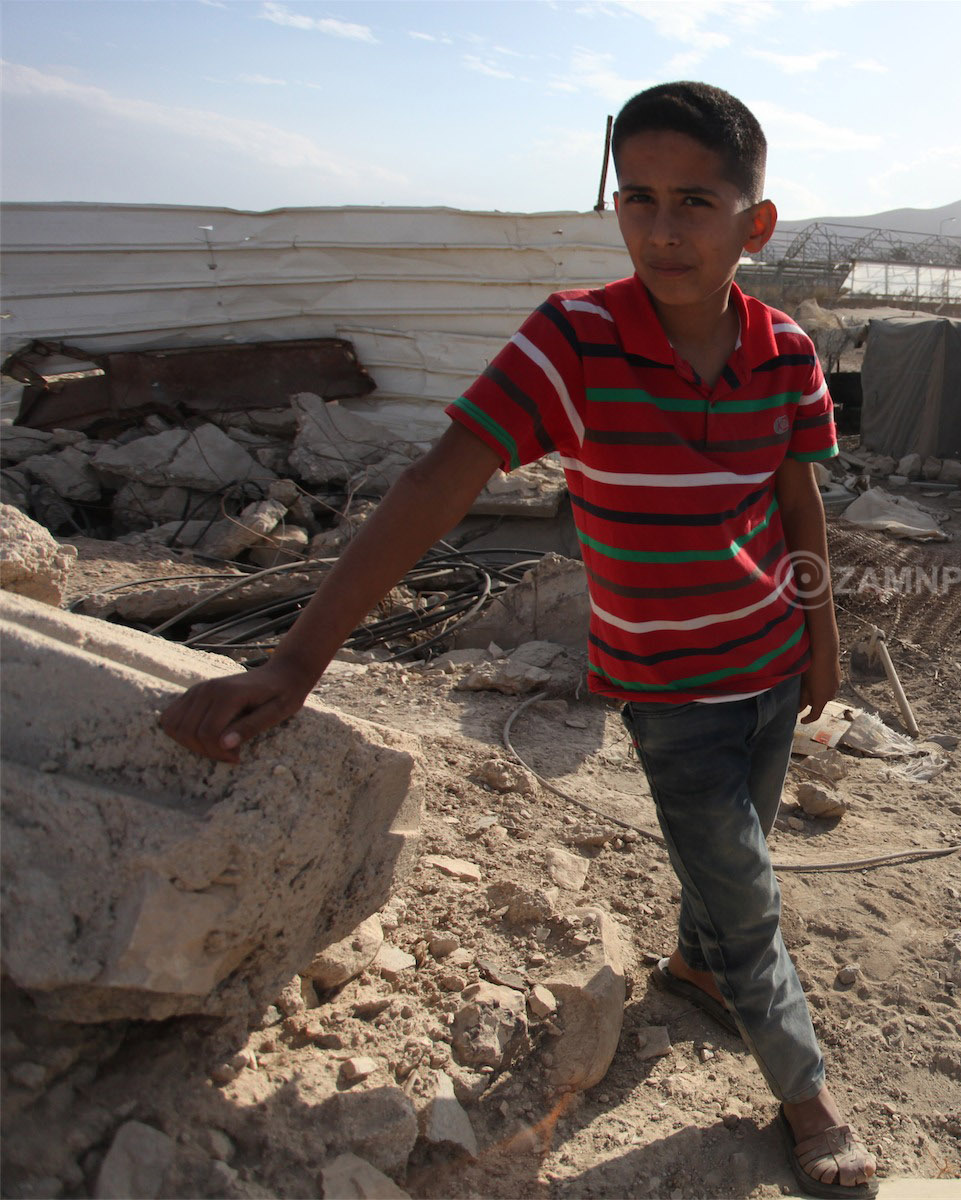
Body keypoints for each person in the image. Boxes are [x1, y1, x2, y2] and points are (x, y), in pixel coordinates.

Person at [160, 81, 877, 1199]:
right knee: (747, 889)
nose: (662, 229)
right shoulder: (574, 338)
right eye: (637, 199)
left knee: (730, 859)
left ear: (757, 223)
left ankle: (696, 971)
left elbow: (798, 503)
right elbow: (438, 480)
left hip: (771, 662)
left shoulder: (786, 351)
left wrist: (821, 635)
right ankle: (808, 1098)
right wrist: (298, 659)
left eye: (695, 201)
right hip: (665, 684)